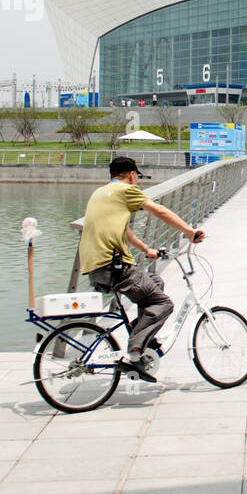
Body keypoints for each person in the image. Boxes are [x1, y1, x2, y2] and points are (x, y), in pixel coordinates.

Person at [77, 156, 205, 383]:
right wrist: (189, 231)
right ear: (132, 175)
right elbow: (159, 210)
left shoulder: (99, 193)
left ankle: (146, 340)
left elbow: (125, 231)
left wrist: (147, 249)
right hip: (114, 266)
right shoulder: (125, 191)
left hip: (95, 265)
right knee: (162, 303)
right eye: (136, 178)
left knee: (154, 281)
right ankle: (134, 352)